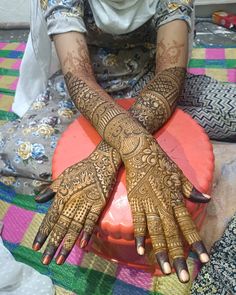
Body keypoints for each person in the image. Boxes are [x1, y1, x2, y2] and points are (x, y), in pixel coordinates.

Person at [0, 0, 235, 284]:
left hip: (153, 86)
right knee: (19, 152)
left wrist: (111, 155)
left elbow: (170, 74)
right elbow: (79, 77)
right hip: (90, 91)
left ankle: (131, 152)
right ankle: (191, 148)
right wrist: (139, 145)